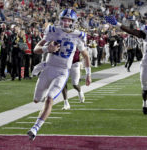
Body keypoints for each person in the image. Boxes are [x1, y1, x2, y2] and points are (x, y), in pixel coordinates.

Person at [27, 8, 92, 140]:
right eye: (63, 19)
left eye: (68, 20)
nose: (65, 22)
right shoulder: (52, 30)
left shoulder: (78, 35)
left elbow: (86, 55)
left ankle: (35, 128)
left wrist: (88, 74)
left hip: (62, 72)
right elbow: (35, 49)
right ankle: (43, 100)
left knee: (50, 99)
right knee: (36, 100)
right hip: (48, 68)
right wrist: (46, 48)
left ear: (73, 22)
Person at [105, 16, 147, 114]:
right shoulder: (145, 32)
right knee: (145, 88)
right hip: (146, 63)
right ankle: (145, 103)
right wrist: (117, 24)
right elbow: (132, 31)